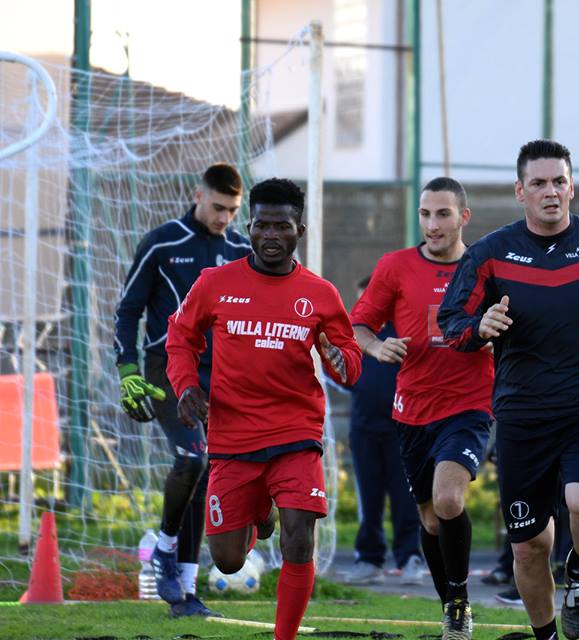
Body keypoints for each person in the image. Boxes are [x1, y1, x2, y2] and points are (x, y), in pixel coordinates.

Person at [439, 140, 579, 640]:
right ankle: (547, 637)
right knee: (529, 547)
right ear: (520, 191)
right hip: (522, 413)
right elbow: (453, 321)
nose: (550, 191)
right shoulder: (491, 254)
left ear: (572, 186)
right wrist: (481, 326)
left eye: (559, 181)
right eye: (538, 183)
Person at [165, 178, 362, 640]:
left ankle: (284, 637)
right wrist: (186, 386)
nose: (271, 235)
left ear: (300, 231)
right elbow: (181, 339)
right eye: (262, 225)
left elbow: (350, 363)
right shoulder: (215, 283)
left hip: (297, 431)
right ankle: (260, 515)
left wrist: (340, 361)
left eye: (282, 226)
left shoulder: (321, 294)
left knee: (300, 537)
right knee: (229, 559)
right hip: (233, 435)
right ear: (249, 228)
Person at [350, 177, 495, 640]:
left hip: (470, 406)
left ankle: (458, 605)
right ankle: (452, 604)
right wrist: (375, 348)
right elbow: (359, 325)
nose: (433, 225)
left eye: (443, 214)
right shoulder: (394, 266)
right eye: (425, 214)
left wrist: (495, 330)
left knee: (450, 499)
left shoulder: (486, 267)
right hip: (411, 411)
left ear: (463, 217)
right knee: (430, 518)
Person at [113, 163, 249, 617]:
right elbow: (128, 309)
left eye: (231, 209)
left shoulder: (240, 249)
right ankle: (166, 546)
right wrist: (127, 368)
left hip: (223, 376)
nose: (223, 218)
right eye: (217, 207)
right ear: (197, 194)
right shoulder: (163, 242)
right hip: (167, 369)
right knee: (193, 458)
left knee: (207, 474)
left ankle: (188, 594)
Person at [344, 277, 424, 586]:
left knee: (406, 497)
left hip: (401, 428)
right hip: (364, 428)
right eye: (361, 300)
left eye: (370, 300)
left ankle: (410, 557)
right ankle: (368, 558)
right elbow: (340, 373)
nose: (365, 307)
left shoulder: (400, 333)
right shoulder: (353, 334)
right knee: (369, 497)